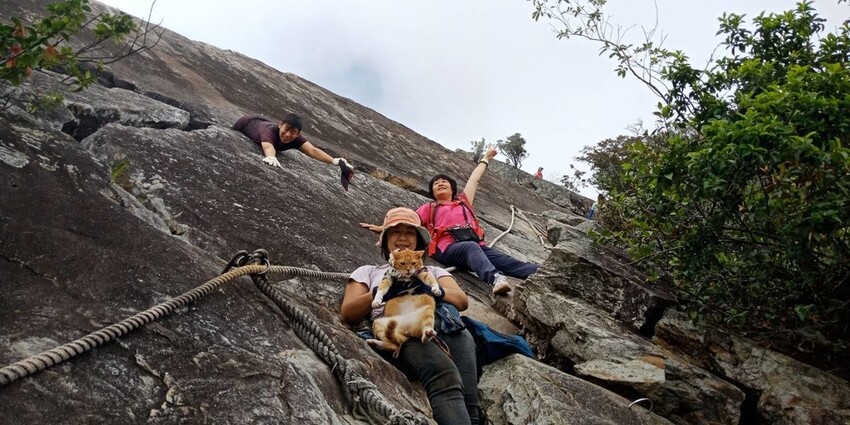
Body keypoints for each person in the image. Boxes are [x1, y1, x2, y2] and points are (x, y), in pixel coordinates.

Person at [341, 208, 481, 425]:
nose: (403, 238)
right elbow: (348, 312)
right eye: (396, 232)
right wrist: (383, 290)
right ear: (385, 240)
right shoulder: (367, 272)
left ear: (418, 241)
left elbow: (461, 301)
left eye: (409, 232)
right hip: (402, 327)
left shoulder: (433, 271)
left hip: (446, 323)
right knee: (444, 376)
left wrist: (431, 290)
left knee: (470, 392)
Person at [232, 113, 354, 189]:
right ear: (280, 125)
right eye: (286, 129)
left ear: (298, 134)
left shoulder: (295, 139)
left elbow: (312, 150)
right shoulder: (269, 131)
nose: (287, 134)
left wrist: (335, 161)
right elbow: (268, 147)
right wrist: (271, 156)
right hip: (246, 122)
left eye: (293, 132)